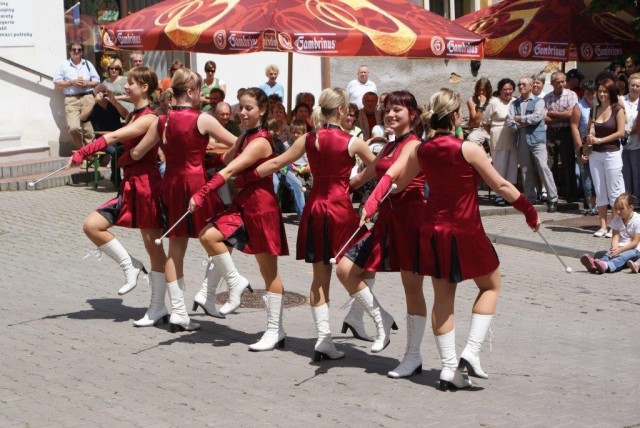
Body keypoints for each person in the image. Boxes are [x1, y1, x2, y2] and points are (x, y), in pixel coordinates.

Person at [372, 88, 539, 390]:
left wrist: (374, 199)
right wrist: (529, 211)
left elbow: (399, 184)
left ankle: (449, 368)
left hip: (434, 231)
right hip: (466, 229)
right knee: (490, 285)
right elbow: (501, 185)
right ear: (454, 116)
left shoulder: (421, 150)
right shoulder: (468, 148)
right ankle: (471, 351)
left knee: (443, 299)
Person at [235, 87, 377, 360]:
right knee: (368, 261)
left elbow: (276, 162)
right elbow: (380, 165)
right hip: (341, 211)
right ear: (340, 110)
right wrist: (357, 181)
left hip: (315, 210)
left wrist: (244, 177)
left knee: (319, 278)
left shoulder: (309, 139)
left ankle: (324, 338)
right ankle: (361, 316)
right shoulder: (353, 141)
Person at [125, 68, 238, 332]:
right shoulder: (203, 118)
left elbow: (138, 152)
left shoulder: (161, 120)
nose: (202, 95)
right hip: (197, 184)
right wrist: (218, 159)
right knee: (226, 234)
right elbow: (240, 143)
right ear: (190, 91)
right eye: (199, 90)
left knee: (176, 248)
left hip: (171, 185)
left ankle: (178, 311)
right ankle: (210, 291)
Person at [65, 67, 168, 327]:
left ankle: (159, 307)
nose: (126, 86)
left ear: (144, 87)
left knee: (154, 248)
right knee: (92, 225)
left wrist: (84, 151)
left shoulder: (149, 117)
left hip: (147, 187)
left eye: (131, 83)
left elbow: (115, 136)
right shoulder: (132, 114)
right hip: (129, 185)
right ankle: (130, 265)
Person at [190, 87, 289, 351]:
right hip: (243, 203)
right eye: (241, 107)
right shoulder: (245, 135)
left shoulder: (261, 141)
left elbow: (232, 168)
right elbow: (226, 158)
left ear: (262, 110)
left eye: (249, 108)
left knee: (269, 272)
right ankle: (235, 283)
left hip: (261, 208)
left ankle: (275, 330)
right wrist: (197, 161)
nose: (242, 113)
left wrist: (202, 192)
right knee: (209, 235)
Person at [339, 90, 428, 378]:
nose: (390, 114)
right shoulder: (389, 145)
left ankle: (412, 356)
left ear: (412, 115)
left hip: (410, 221)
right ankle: (382, 319)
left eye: (397, 110)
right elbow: (368, 175)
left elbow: (393, 181)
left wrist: (371, 203)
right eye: (387, 109)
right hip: (386, 220)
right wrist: (338, 189)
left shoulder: (414, 145)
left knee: (411, 288)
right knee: (345, 270)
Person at [507, 76, 559, 213]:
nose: (520, 86)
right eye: (519, 84)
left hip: (537, 138)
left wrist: (520, 119)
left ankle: (553, 198)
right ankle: (530, 197)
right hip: (521, 137)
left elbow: (537, 117)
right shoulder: (514, 103)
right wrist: (522, 123)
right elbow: (510, 121)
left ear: (531, 86)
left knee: (543, 167)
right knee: (525, 168)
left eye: (524, 84)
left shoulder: (539, 101)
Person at [584, 78, 627, 237]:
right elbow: (588, 130)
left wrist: (600, 140)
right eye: (600, 91)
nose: (602, 94)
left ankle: (616, 226)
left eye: (605, 91)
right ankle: (602, 226)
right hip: (595, 154)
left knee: (614, 191)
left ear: (611, 93)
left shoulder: (618, 109)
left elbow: (621, 132)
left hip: (612, 153)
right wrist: (589, 138)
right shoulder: (594, 110)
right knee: (600, 190)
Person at [53, 41, 100, 150]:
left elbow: (96, 80)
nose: (76, 51)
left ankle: (89, 154)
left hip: (87, 97)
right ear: (70, 51)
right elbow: (57, 83)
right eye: (74, 49)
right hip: (71, 99)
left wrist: (87, 83)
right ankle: (82, 150)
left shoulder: (87, 64)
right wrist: (71, 82)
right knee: (73, 128)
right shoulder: (63, 65)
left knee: (89, 130)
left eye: (79, 49)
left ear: (82, 52)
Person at [79, 84, 128, 185]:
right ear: (95, 94)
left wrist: (114, 101)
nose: (103, 94)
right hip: (103, 140)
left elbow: (126, 115)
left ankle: (126, 178)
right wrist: (94, 101)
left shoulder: (113, 105)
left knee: (128, 149)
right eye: (100, 92)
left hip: (118, 138)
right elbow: (82, 118)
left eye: (105, 92)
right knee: (116, 151)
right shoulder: (93, 107)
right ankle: (116, 179)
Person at [581, 193, 640, 273]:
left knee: (623, 256)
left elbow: (635, 242)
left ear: (631, 207)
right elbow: (615, 237)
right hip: (621, 246)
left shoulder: (637, 220)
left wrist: (620, 250)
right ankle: (595, 265)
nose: (618, 211)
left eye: (621, 209)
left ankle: (606, 266)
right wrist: (614, 249)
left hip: (635, 250)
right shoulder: (616, 220)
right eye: (616, 209)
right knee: (609, 254)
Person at [544, 71, 580, 203]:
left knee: (568, 163)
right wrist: (561, 115)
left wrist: (553, 114)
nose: (561, 84)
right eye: (557, 82)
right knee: (550, 164)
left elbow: (571, 114)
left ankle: (571, 195)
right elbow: (544, 117)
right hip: (551, 132)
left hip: (566, 132)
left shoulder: (571, 95)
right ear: (552, 83)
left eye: (563, 81)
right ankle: (553, 194)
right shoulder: (547, 97)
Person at [482, 78, 517, 206]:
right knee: (500, 167)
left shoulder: (515, 102)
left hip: (514, 137)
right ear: (500, 90)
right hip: (498, 138)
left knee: (512, 167)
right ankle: (499, 195)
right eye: (505, 89)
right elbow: (486, 122)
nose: (508, 92)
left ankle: (510, 195)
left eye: (510, 89)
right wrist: (494, 132)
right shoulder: (494, 102)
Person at [570, 80, 598, 216]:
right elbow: (574, 126)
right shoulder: (579, 106)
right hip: (584, 145)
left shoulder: (600, 105)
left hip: (599, 145)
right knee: (587, 176)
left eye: (593, 93)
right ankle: (591, 206)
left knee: (597, 176)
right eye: (588, 93)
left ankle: (601, 204)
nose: (590, 96)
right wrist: (580, 147)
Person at [268, 119, 306, 220]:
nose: (270, 131)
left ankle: (302, 215)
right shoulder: (263, 143)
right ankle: (272, 213)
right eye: (268, 129)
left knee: (298, 184)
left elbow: (286, 160)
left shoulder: (279, 143)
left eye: (273, 129)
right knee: (275, 184)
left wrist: (287, 170)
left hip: (282, 170)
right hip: (270, 171)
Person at [621, 73, 640, 208]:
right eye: (632, 85)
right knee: (625, 172)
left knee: (636, 172)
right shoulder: (621, 100)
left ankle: (637, 200)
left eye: (638, 86)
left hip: (637, 142)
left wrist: (630, 131)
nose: (635, 88)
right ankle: (627, 200)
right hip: (622, 143)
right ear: (628, 86)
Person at [466, 77, 492, 145]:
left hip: (490, 129)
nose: (481, 93)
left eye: (484, 90)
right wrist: (481, 104)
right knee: (472, 139)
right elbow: (476, 122)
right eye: (479, 90)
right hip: (477, 129)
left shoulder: (493, 101)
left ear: (488, 90)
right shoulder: (471, 101)